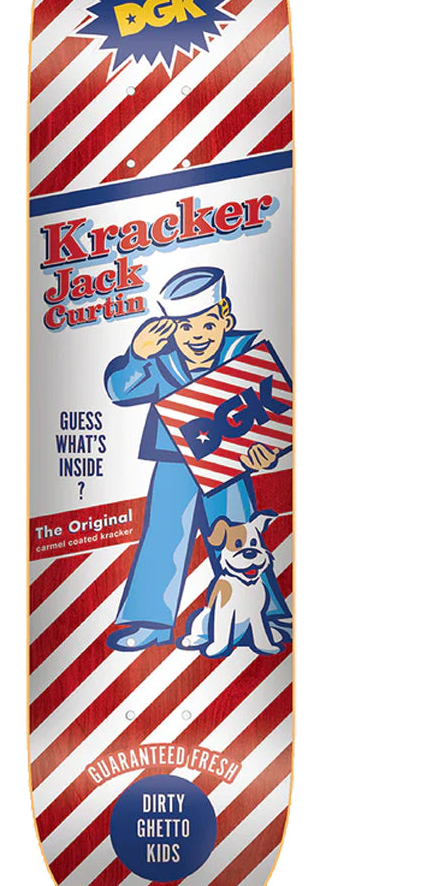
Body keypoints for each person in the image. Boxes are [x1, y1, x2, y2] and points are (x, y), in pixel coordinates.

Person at [103, 265, 292, 651]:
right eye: (185, 328)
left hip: (228, 461)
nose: (197, 337)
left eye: (207, 325)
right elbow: (119, 392)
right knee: (164, 534)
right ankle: (150, 622)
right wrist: (136, 356)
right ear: (170, 330)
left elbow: (279, 412)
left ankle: (267, 614)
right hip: (173, 461)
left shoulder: (244, 354)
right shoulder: (159, 361)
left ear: (225, 318)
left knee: (240, 531)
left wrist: (269, 452)